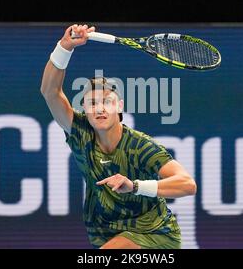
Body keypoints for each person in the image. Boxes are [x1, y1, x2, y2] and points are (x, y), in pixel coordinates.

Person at [40, 24, 197, 249]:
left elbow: (187, 184)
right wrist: (64, 47)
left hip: (154, 235)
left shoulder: (140, 146)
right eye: (92, 103)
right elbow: (49, 92)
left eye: (107, 102)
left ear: (119, 107)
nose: (100, 108)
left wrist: (134, 186)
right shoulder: (80, 132)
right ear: (84, 108)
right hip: (104, 233)